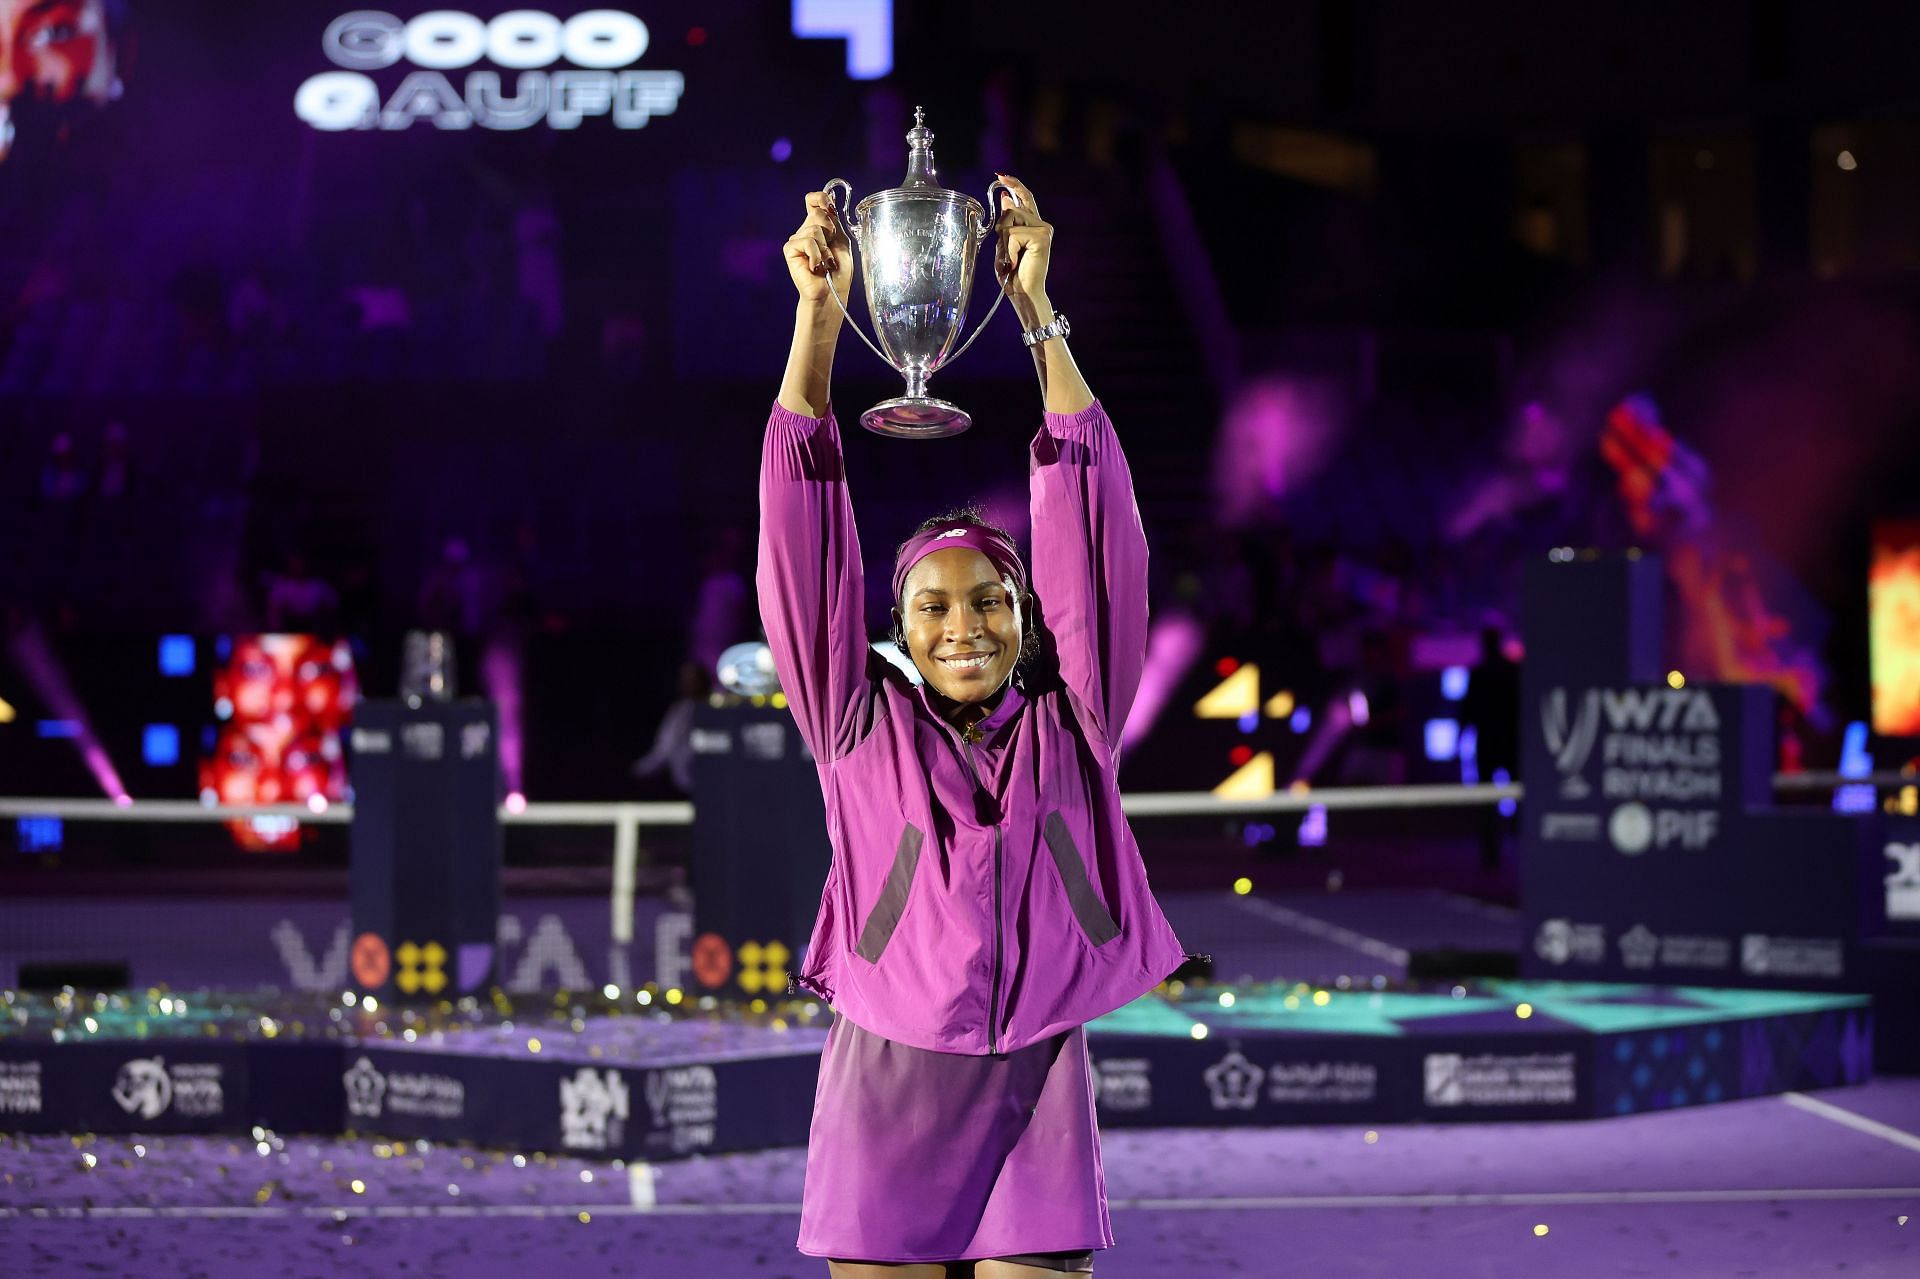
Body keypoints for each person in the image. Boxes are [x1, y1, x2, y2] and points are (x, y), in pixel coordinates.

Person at [760, 178, 1199, 1278]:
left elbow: (1097, 536)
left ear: (1027, 616)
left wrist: (1038, 311)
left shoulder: (1075, 723)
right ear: (896, 625)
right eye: (934, 606)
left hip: (1038, 1071)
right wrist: (819, 324)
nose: (966, 625)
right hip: (891, 1071)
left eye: (993, 600)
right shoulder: (854, 721)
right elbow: (801, 534)